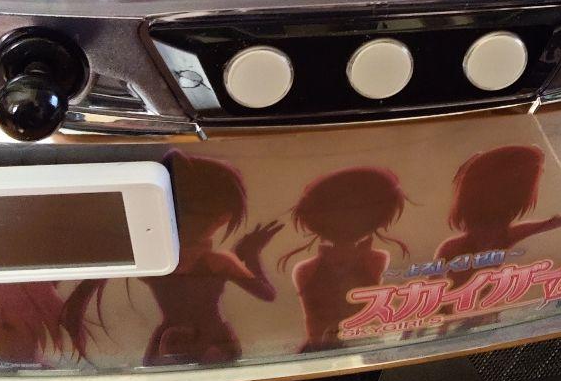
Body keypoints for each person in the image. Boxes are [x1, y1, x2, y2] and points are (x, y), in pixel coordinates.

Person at [63, 151, 281, 366]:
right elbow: (267, 293)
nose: (218, 224)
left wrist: (248, 255)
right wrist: (250, 255)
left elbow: (267, 295)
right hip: (191, 340)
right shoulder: (211, 262)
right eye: (215, 219)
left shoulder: (165, 260)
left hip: (192, 341)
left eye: (220, 220)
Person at [280, 167, 408, 352]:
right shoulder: (305, 270)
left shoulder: (377, 258)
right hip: (324, 350)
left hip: (362, 344)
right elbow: (312, 323)